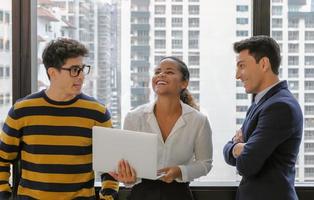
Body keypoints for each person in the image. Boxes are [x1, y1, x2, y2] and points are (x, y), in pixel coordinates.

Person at [0, 38, 119, 199]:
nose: (81, 76)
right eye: (75, 70)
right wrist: (3, 195)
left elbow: (110, 164)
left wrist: (108, 196)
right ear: (53, 73)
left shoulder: (97, 113)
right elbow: (2, 158)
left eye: (83, 69)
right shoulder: (22, 111)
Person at [110, 56, 213, 200]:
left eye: (169, 72)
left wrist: (179, 171)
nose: (161, 75)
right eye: (157, 71)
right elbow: (127, 165)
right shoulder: (134, 117)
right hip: (141, 194)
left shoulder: (198, 121)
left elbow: (205, 164)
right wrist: (127, 179)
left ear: (184, 83)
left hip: (179, 195)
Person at [223, 35, 303, 200]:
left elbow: (247, 165)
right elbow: (227, 153)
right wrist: (239, 148)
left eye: (242, 66)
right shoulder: (260, 102)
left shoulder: (280, 107)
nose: (237, 75)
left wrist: (237, 145)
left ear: (264, 64)